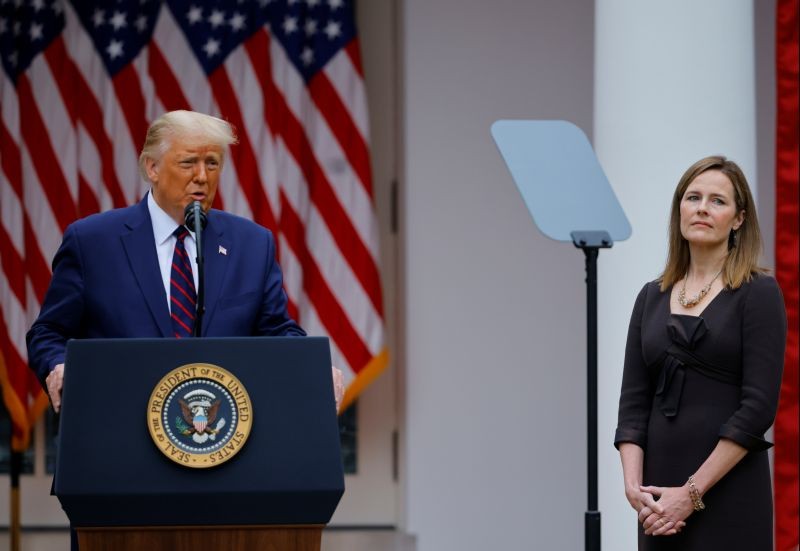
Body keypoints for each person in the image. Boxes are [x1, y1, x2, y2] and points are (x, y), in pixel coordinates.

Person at [27, 110, 345, 412]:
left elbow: (276, 331)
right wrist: (59, 366)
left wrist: (312, 365)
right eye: (188, 163)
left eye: (212, 163)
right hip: (117, 428)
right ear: (152, 168)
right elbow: (48, 331)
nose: (202, 177)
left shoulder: (251, 243)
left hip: (218, 438)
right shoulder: (92, 242)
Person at [614, 155, 787, 550]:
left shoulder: (758, 293)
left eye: (717, 201)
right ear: (679, 209)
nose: (703, 208)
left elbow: (757, 409)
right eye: (693, 197)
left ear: (739, 219)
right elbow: (632, 404)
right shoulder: (650, 297)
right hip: (658, 501)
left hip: (728, 489)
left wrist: (690, 495)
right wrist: (634, 488)